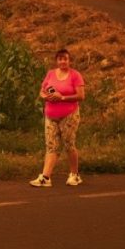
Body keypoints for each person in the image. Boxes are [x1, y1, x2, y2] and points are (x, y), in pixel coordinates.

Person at [30, 48, 86, 187]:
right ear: (57, 61)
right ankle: (45, 177)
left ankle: (75, 175)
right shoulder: (50, 74)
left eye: (65, 59)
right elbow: (42, 91)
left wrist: (62, 97)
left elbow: (81, 96)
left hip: (69, 115)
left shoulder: (75, 75)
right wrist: (46, 96)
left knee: (69, 145)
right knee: (51, 146)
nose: (63, 61)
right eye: (60, 59)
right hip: (50, 115)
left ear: (69, 60)